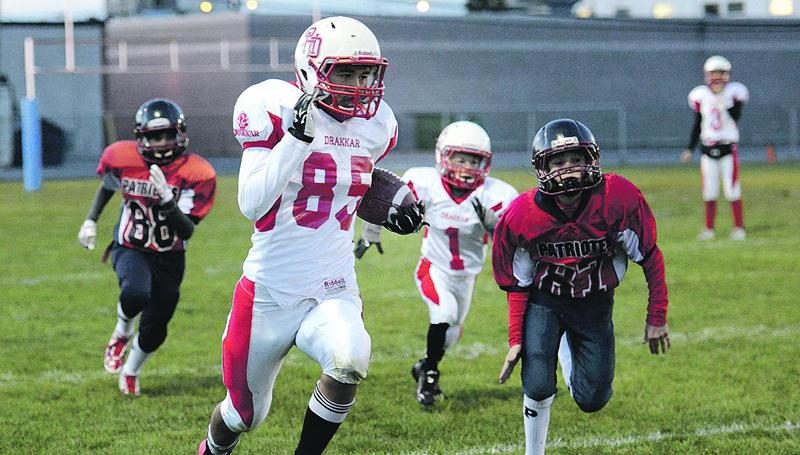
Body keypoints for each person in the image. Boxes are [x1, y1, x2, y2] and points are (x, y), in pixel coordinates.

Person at [197, 16, 424, 455]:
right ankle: (212, 448)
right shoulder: (273, 105)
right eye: (345, 72)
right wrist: (296, 140)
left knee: (350, 359)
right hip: (270, 291)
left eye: (365, 73)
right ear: (310, 70)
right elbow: (251, 203)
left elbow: (355, 179)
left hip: (333, 285)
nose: (359, 85)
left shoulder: (378, 124)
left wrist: (390, 212)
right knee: (244, 415)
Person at [492, 119, 671, 455]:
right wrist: (516, 338)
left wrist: (657, 316)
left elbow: (649, 257)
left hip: (594, 302)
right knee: (538, 383)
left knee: (593, 399)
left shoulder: (618, 197)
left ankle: (568, 351)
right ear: (542, 168)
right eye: (558, 162)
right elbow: (517, 282)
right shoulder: (522, 214)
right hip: (547, 301)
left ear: (592, 159)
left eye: (576, 159)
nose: (568, 169)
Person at [355, 121, 518, 407]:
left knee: (452, 333)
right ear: (443, 156)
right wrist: (371, 233)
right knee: (443, 313)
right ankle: (430, 376)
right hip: (434, 267)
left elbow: (512, 247)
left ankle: (424, 366)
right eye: (460, 158)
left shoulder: (498, 195)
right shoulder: (423, 182)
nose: (467, 166)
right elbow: (381, 201)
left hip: (466, 277)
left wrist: (495, 228)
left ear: (486, 162)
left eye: (473, 160)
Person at [77, 98, 217, 396]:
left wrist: (168, 200)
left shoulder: (196, 172)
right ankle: (122, 332)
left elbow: (187, 229)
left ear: (180, 134)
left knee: (156, 329)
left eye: (167, 135)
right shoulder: (123, 157)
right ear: (141, 137)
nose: (162, 143)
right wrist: (90, 220)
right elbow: (108, 186)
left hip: (170, 255)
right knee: (135, 292)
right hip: (132, 246)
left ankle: (131, 371)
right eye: (154, 136)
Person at [681, 55, 749, 241]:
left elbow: (736, 116)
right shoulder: (700, 95)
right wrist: (689, 149)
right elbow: (698, 124)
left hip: (728, 148)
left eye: (721, 73)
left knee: (732, 189)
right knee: (709, 190)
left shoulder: (734, 94)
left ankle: (738, 227)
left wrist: (724, 101)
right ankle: (709, 228)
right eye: (714, 73)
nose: (717, 77)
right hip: (707, 148)